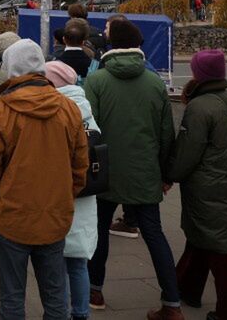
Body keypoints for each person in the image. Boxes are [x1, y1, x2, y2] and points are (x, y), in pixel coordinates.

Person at [0, 39, 89, 320]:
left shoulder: (0, 110)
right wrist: (66, 195)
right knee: (55, 295)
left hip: (11, 215)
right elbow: (80, 165)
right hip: (54, 214)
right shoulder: (68, 108)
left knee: (12, 296)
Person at [85, 17, 182, 319]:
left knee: (99, 231)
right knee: (154, 233)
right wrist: (166, 173)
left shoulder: (97, 80)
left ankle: (95, 289)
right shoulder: (154, 83)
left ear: (112, 45)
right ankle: (172, 302)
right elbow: (167, 133)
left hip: (105, 171)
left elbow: (89, 130)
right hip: (145, 170)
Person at [167, 49, 227, 320]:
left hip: (205, 186)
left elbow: (187, 153)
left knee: (217, 247)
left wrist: (171, 174)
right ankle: (186, 286)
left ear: (198, 73)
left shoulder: (199, 107)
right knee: (203, 238)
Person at [44, 60, 101, 320]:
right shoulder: (86, 111)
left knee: (58, 266)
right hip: (87, 196)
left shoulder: (57, 112)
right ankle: (81, 313)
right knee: (79, 264)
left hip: (60, 195)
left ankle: (61, 314)